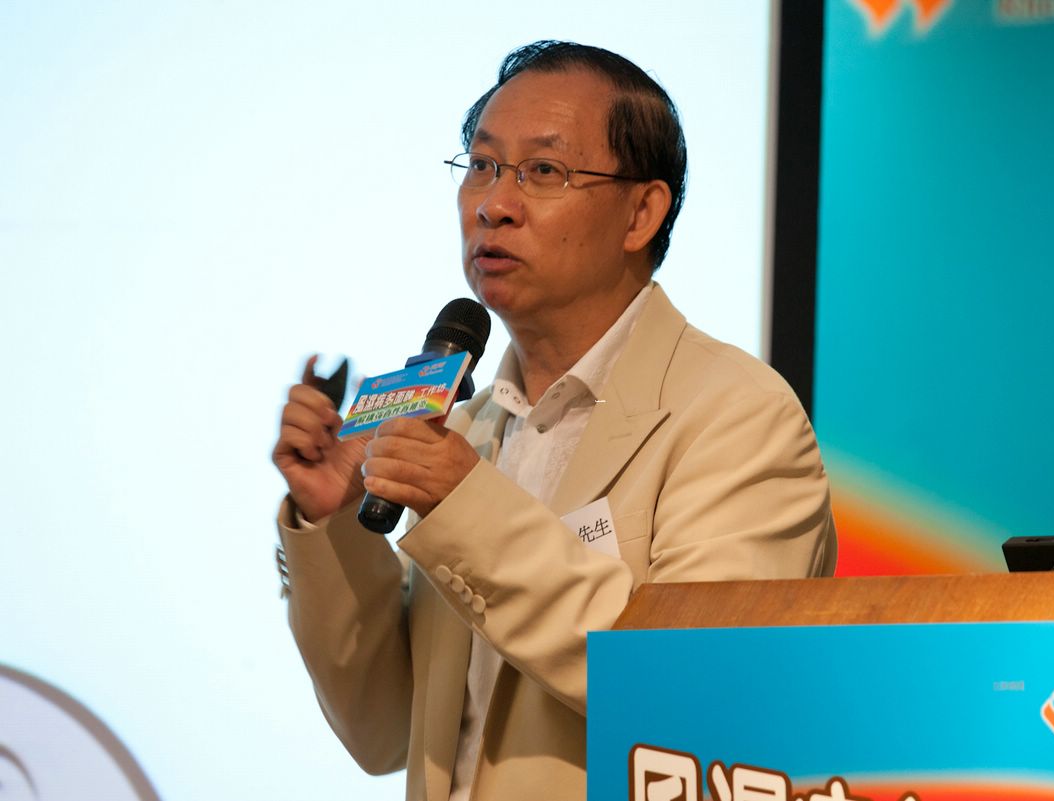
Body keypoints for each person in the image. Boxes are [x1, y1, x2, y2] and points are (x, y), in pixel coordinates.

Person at [272, 40, 837, 801]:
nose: (493, 203)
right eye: (482, 164)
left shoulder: (736, 415)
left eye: (543, 171)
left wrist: (467, 506)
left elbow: (701, 697)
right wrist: (337, 523)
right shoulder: (467, 429)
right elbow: (384, 733)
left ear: (642, 212)